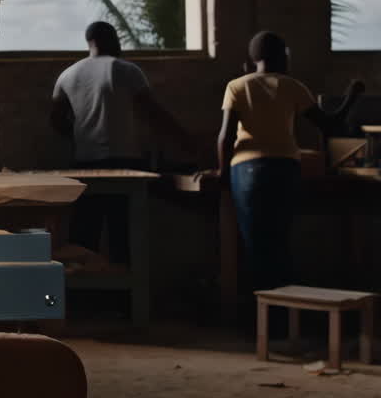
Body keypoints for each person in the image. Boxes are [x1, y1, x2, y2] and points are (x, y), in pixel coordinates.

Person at [212, 31, 363, 291]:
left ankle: (258, 318)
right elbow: (329, 125)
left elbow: (225, 137)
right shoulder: (293, 85)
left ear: (253, 58)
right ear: (283, 56)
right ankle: (285, 316)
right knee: (279, 241)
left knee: (255, 245)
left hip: (246, 171)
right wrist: (351, 97)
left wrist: (222, 172)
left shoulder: (237, 85)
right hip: (285, 168)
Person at [51, 21, 193, 269]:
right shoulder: (126, 70)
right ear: (113, 40)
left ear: (89, 42)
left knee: (84, 238)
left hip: (83, 166)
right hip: (125, 165)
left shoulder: (68, 75)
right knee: (125, 237)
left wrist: (82, 136)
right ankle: (128, 302)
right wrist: (188, 141)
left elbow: (55, 120)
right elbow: (154, 114)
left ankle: (86, 301)